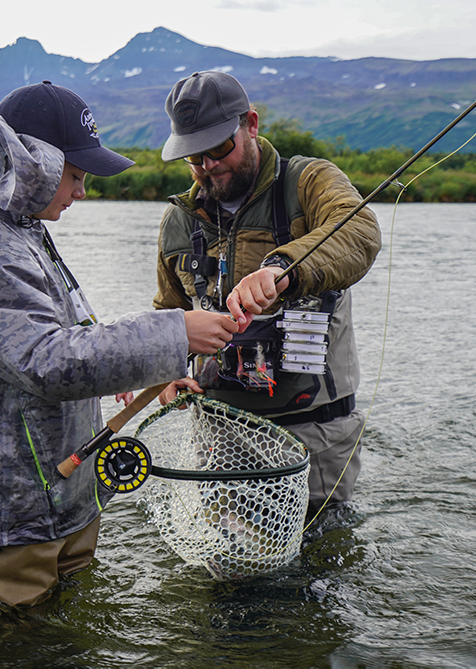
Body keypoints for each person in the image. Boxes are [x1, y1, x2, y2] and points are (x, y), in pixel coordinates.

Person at [0, 81, 237, 607]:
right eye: (76, 176)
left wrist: (156, 365)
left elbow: (71, 340)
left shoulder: (19, 229)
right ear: (33, 164)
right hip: (8, 528)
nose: (82, 192)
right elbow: (47, 361)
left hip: (57, 503)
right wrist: (177, 331)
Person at [153, 71, 381, 516]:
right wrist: (163, 374)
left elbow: (359, 231)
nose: (208, 166)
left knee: (314, 569)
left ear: (251, 124)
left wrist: (282, 269)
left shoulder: (309, 181)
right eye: (193, 158)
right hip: (218, 435)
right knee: (226, 573)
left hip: (314, 434)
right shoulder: (178, 221)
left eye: (219, 149)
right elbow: (168, 313)